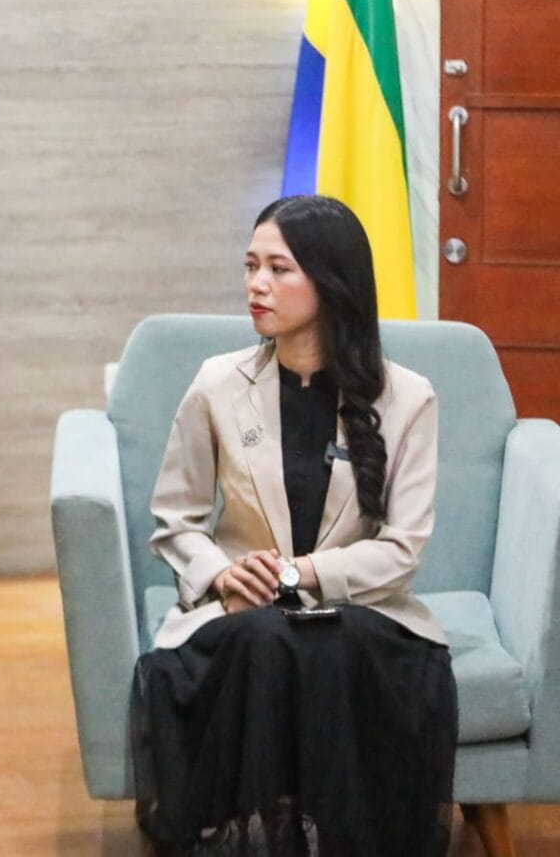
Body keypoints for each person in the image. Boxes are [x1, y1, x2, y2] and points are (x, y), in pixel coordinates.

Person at [132, 196, 456, 857]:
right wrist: (225, 575)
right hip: (243, 617)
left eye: (279, 269)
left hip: (361, 615)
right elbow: (176, 518)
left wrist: (295, 574)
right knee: (266, 636)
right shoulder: (218, 384)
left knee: (322, 642)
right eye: (251, 265)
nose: (256, 284)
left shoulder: (408, 397)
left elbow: (402, 549)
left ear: (331, 281)